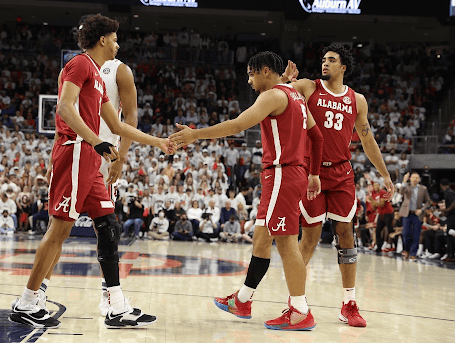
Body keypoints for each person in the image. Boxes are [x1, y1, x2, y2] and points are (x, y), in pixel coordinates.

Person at [10, 14, 171, 329]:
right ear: (102, 40)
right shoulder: (80, 65)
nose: (117, 43)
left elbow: (117, 125)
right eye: (114, 38)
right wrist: (97, 142)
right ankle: (27, 301)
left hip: (89, 158)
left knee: (109, 226)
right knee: (60, 229)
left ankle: (115, 305)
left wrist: (159, 143)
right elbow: (65, 107)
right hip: (74, 151)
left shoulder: (97, 75)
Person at [169, 51, 323, 331]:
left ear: (265, 71)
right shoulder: (294, 96)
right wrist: (312, 173)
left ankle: (300, 311)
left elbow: (237, 125)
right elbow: (316, 135)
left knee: (287, 243)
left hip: (282, 174)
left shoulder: (274, 96)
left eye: (251, 74)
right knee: (261, 238)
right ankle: (242, 299)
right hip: (286, 174)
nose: (249, 80)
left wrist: (194, 134)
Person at [286, 44, 394, 327]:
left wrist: (384, 174)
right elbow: (278, 93)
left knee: (346, 234)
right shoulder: (309, 87)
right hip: (313, 173)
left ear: (343, 67)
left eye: (331, 60)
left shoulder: (357, 100)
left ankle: (349, 303)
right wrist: (285, 80)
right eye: (323, 60)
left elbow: (367, 140)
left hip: (343, 174)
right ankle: (295, 303)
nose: (325, 64)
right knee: (309, 238)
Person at [398, 172, 431, 260]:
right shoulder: (406, 186)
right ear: (410, 178)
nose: (415, 179)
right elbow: (400, 193)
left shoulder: (423, 188)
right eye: (413, 177)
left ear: (419, 179)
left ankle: (413, 253)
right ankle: (407, 250)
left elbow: (428, 202)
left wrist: (422, 210)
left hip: (417, 214)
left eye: (417, 177)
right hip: (407, 213)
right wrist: (404, 181)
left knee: (416, 234)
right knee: (405, 233)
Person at [440, 179, 455, 262]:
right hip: (451, 216)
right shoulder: (451, 191)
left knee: (449, 235)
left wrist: (446, 210)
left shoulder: (449, 192)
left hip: (452, 217)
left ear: (442, 185)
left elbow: (454, 203)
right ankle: (450, 254)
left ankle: (450, 255)